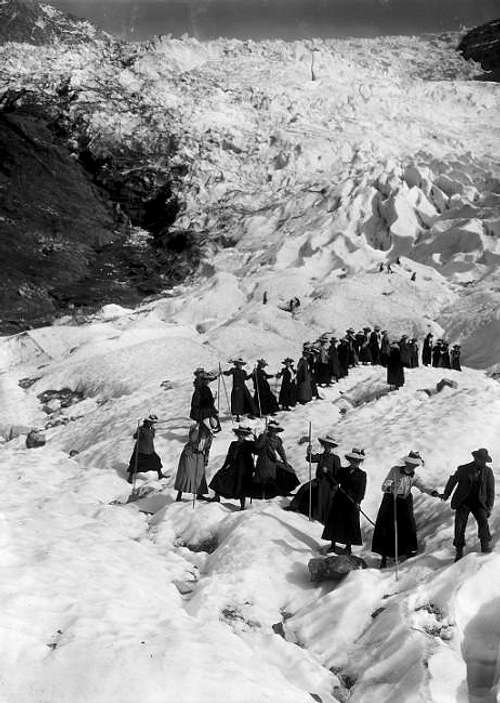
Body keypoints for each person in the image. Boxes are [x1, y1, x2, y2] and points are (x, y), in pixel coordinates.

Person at [371, 451, 439, 568]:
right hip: (390, 500)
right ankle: (384, 556)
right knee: (387, 526)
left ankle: (408, 551)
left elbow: (423, 486)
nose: (412, 466)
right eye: (410, 463)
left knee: (408, 524)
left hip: (405, 501)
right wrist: (391, 487)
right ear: (406, 462)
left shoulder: (415, 477)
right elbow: (384, 486)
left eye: (415, 464)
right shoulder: (395, 470)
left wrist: (433, 492)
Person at [440, 448, 495, 561]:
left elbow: (491, 490)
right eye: (481, 459)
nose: (483, 462)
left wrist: (489, 507)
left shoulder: (488, 472)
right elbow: (452, 481)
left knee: (483, 521)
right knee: (459, 525)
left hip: (479, 502)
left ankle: (485, 545)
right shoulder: (463, 469)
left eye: (484, 460)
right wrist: (446, 494)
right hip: (463, 501)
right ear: (475, 458)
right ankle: (459, 550)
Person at [321, 448, 367, 554]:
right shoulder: (343, 471)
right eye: (353, 460)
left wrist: (358, 502)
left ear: (359, 462)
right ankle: (333, 545)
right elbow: (335, 481)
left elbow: (362, 490)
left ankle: (348, 547)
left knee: (350, 523)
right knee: (335, 522)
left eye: (357, 461)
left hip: (352, 502)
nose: (355, 463)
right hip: (340, 500)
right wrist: (327, 473)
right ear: (350, 460)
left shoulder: (362, 474)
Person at [286, 435, 340, 523]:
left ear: (331, 447)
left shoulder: (335, 458)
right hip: (319, 480)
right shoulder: (321, 456)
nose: (327, 447)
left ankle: (318, 516)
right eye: (325, 445)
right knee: (305, 487)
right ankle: (294, 506)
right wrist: (309, 452)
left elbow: (338, 473)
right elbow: (311, 459)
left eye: (329, 445)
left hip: (329, 483)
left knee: (321, 496)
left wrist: (334, 482)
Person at [209, 426, 256, 510]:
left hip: (245, 468)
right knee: (221, 476)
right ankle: (217, 496)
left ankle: (242, 505)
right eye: (239, 434)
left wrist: (255, 439)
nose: (241, 436)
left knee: (242, 485)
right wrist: (224, 467)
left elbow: (257, 448)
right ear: (237, 435)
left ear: (245, 435)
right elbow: (229, 456)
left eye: (243, 434)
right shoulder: (233, 444)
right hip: (234, 466)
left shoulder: (249, 444)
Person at [252, 421, 299, 499]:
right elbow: (258, 447)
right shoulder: (264, 437)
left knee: (284, 471)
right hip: (264, 460)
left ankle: (281, 491)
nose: (273, 432)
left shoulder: (276, 439)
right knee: (265, 478)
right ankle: (263, 493)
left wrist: (285, 462)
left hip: (271, 461)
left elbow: (281, 451)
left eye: (274, 431)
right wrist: (258, 439)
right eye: (272, 430)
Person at [174, 421, 213, 501]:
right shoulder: (195, 431)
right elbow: (192, 439)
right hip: (190, 454)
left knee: (199, 475)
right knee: (186, 474)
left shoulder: (209, 436)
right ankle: (179, 494)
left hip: (199, 455)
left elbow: (207, 448)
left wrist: (206, 458)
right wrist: (196, 429)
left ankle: (199, 494)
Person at [127, 416, 167, 483]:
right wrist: (137, 435)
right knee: (135, 463)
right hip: (140, 450)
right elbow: (135, 436)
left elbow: (152, 436)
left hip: (150, 449)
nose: (151, 424)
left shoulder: (152, 429)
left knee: (156, 460)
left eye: (152, 423)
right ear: (146, 422)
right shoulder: (141, 429)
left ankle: (160, 475)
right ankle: (130, 477)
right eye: (150, 423)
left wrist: (151, 431)